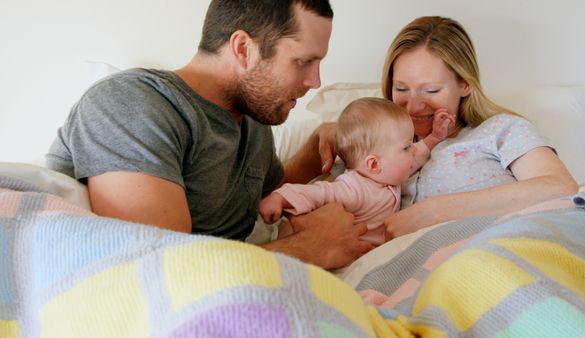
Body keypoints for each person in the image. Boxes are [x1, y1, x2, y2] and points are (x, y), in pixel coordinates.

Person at [45, 0, 374, 270]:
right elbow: (156, 268)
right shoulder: (132, 103)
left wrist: (317, 148)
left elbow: (261, 191)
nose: (315, 81)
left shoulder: (253, 123)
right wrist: (307, 248)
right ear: (244, 48)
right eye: (303, 61)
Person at [377, 16, 579, 238]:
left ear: (465, 84)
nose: (414, 106)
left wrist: (437, 211)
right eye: (402, 89)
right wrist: (334, 130)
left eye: (432, 91)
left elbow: (561, 188)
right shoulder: (374, 145)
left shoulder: (501, 130)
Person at [259, 97, 454, 245]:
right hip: (344, 256)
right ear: (374, 165)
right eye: (406, 147)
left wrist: (435, 137)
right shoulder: (354, 188)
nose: (413, 149)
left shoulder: (388, 173)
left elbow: (417, 155)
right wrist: (280, 198)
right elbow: (317, 192)